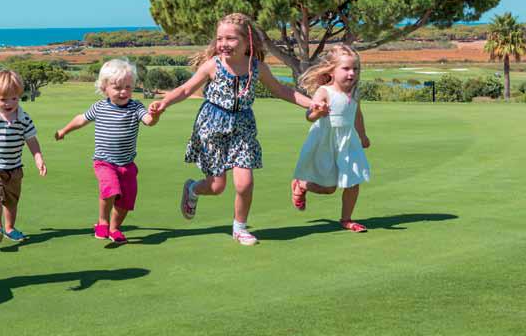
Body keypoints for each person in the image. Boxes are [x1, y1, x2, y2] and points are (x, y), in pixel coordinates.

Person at [149, 13, 316, 246]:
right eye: (220, 39)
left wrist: (311, 104)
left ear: (247, 41)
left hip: (243, 127)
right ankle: (193, 189)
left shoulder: (257, 67)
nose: (223, 44)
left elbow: (282, 91)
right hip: (212, 127)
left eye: (230, 38)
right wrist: (164, 103)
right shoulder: (213, 65)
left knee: (244, 183)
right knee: (216, 186)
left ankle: (240, 228)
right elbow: (186, 89)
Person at [55, 59, 161, 244]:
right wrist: (64, 130)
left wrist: (155, 115)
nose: (123, 92)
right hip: (104, 162)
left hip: (127, 165)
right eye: (117, 87)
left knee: (126, 201)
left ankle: (114, 229)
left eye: (128, 87)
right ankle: (102, 222)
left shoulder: (136, 107)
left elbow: (149, 121)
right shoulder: (100, 107)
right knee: (110, 190)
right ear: (104, 88)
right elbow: (81, 119)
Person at [290, 44, 372, 233]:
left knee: (353, 180)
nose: (351, 73)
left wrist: (362, 135)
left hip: (348, 142)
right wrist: (318, 112)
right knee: (329, 188)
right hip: (326, 141)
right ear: (331, 70)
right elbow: (309, 116)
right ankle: (302, 184)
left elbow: (357, 114)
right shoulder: (324, 91)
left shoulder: (355, 92)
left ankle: (347, 219)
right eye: (346, 68)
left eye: (355, 69)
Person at [0, 70, 46, 243]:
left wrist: (38, 157)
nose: (9, 103)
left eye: (14, 98)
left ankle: (10, 228)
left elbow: (31, 140)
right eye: (3, 99)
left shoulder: (24, 119)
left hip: (14, 168)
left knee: (12, 200)